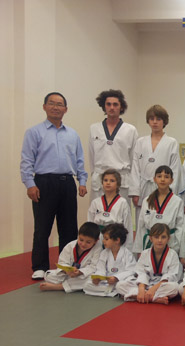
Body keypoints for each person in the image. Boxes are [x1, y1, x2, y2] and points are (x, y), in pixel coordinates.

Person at [20, 92, 89, 279]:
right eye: (52, 103)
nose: (56, 107)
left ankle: (66, 264)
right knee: (42, 227)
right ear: (44, 107)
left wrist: (82, 181)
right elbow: (26, 161)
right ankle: (39, 266)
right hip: (44, 183)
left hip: (67, 183)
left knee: (69, 227)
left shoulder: (72, 134)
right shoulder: (34, 132)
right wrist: (30, 184)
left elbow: (79, 160)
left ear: (66, 109)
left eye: (60, 104)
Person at [130, 105, 182, 223]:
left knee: (162, 221)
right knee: (143, 221)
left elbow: (175, 170)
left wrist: (170, 192)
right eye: (152, 119)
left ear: (164, 121)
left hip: (163, 188)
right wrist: (135, 192)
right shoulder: (140, 142)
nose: (154, 122)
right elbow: (135, 168)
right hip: (144, 188)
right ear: (148, 121)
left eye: (158, 119)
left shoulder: (171, 143)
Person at [88, 89, 138, 201]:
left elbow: (134, 160)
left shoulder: (130, 130)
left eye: (115, 104)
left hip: (121, 179)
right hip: (100, 179)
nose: (112, 107)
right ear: (104, 106)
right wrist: (94, 174)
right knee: (97, 210)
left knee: (120, 210)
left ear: (121, 107)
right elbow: (91, 157)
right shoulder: (94, 128)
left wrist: (135, 188)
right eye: (108, 104)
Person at [117, 223, 180, 304]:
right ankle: (154, 298)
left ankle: (138, 296)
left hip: (161, 286)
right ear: (151, 238)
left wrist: (153, 289)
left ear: (168, 239)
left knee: (175, 287)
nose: (160, 240)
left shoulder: (173, 254)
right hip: (146, 284)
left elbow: (171, 275)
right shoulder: (145, 253)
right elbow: (141, 272)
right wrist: (141, 289)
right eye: (156, 237)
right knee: (120, 285)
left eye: (163, 237)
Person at [132, 166, 184, 256]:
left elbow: (180, 228)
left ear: (171, 180)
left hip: (170, 244)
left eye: (166, 177)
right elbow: (141, 226)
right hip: (149, 243)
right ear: (154, 179)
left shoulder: (177, 201)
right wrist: (139, 250)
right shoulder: (147, 200)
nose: (162, 179)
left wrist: (180, 251)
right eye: (159, 176)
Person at [40, 222, 102, 292]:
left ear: (96, 241)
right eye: (81, 240)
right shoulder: (70, 246)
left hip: (82, 275)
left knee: (91, 279)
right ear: (78, 236)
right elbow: (62, 262)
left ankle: (59, 286)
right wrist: (66, 271)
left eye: (88, 242)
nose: (83, 244)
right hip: (68, 275)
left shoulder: (98, 248)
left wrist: (79, 272)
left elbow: (93, 267)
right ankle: (71, 284)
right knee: (49, 275)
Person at [83, 223, 137, 297]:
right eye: (103, 238)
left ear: (117, 240)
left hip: (121, 280)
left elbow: (131, 270)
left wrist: (117, 278)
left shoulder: (127, 253)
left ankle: (114, 289)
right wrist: (98, 277)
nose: (103, 241)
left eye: (106, 239)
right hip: (107, 281)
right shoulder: (104, 253)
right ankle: (114, 291)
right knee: (87, 284)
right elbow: (100, 268)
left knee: (122, 284)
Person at [87, 169, 133, 250]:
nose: (108, 183)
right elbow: (90, 224)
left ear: (118, 184)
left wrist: (127, 249)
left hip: (115, 238)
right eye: (105, 180)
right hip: (98, 238)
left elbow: (127, 226)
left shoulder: (123, 202)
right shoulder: (95, 202)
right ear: (102, 183)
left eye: (112, 181)